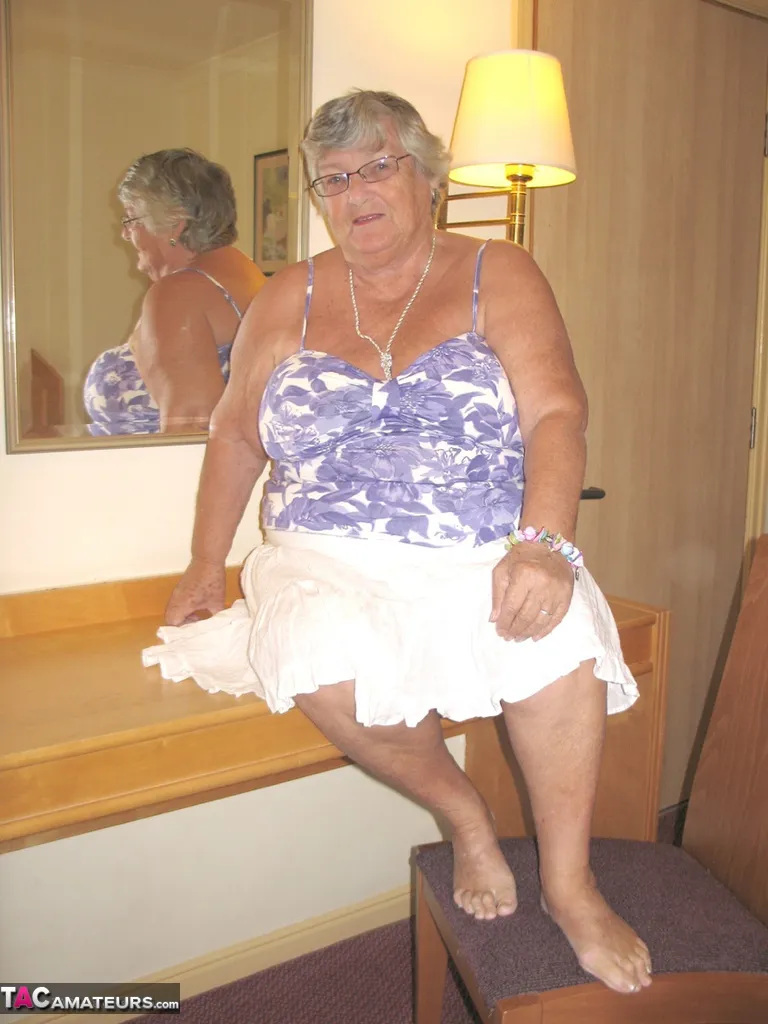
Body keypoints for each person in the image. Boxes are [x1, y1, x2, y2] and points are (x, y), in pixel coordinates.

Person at [146, 91, 651, 995]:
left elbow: (555, 412)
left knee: (560, 643)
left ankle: (571, 887)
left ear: (428, 175)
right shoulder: (288, 295)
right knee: (318, 653)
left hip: (480, 549)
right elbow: (234, 436)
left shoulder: (500, 271)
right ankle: (466, 816)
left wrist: (544, 545)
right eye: (334, 179)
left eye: (378, 166)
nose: (356, 192)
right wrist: (202, 566)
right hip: (324, 557)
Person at [84, 148, 266, 435]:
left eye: (131, 219)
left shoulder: (178, 295)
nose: (125, 233)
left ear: (174, 225)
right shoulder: (246, 274)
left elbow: (191, 430)